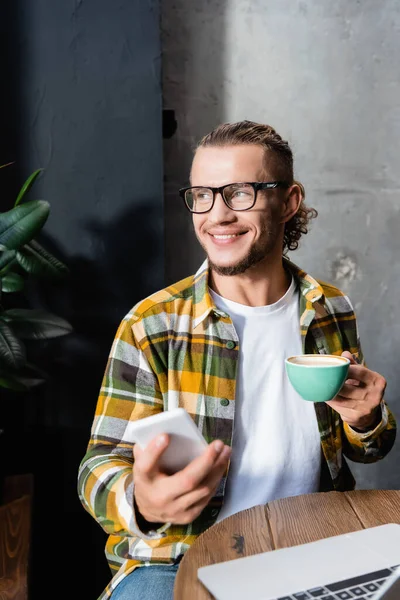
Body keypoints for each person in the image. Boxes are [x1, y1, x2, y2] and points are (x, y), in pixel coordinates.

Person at [78, 121, 396, 600]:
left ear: (289, 201)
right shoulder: (153, 324)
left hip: (308, 547)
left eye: (240, 192)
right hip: (177, 557)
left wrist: (369, 419)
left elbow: (365, 450)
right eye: (202, 195)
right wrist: (142, 501)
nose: (217, 214)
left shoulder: (330, 310)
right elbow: (98, 466)